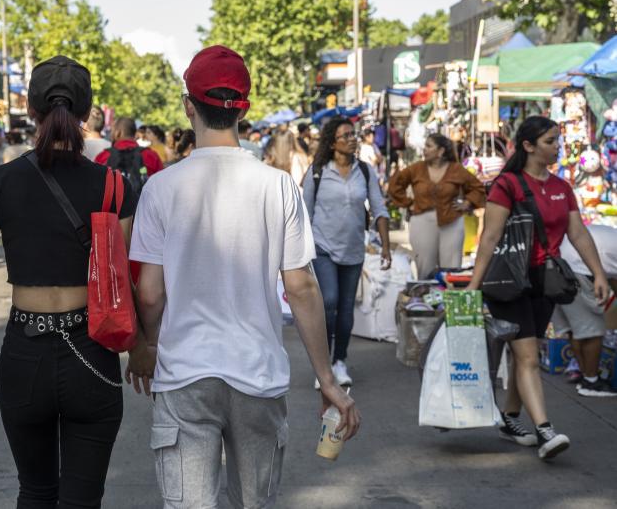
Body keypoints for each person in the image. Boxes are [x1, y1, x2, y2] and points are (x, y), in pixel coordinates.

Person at [128, 45, 360, 508]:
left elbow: (150, 293)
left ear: (188, 106)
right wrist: (327, 379)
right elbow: (301, 288)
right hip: (258, 374)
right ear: (243, 110)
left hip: (185, 375)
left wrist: (146, 347)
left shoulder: (161, 188)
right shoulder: (277, 186)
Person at [0, 55, 147, 508]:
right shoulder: (114, 185)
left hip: (23, 354)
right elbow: (122, 278)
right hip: (92, 352)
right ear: (88, 112)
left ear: (31, 111)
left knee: (34, 491)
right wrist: (142, 348)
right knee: (82, 499)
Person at [467, 116, 609, 460]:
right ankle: (546, 429)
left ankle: (511, 419)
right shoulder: (507, 185)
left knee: (523, 356)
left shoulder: (562, 188)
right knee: (528, 356)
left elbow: (578, 234)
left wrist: (599, 274)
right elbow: (490, 236)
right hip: (508, 282)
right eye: (550, 141)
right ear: (529, 146)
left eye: (557, 140)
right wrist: (473, 285)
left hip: (546, 282)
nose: (557, 147)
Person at [302, 117, 392, 387]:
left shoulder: (364, 171)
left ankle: (339, 360)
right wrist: (299, 250)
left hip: (354, 249)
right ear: (332, 143)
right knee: (328, 302)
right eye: (346, 136)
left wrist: (386, 245)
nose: (353, 139)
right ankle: (324, 365)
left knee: (345, 309)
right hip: (323, 247)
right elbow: (304, 213)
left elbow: (379, 207)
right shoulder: (317, 171)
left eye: (354, 134)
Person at [388, 134, 486, 279]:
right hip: (422, 221)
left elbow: (478, 187)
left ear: (440, 151)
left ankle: (449, 299)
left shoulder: (456, 169)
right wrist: (408, 203)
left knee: (451, 269)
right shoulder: (416, 169)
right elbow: (395, 185)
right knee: (425, 268)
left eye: (429, 146)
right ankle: (426, 299)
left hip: (451, 222)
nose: (424, 150)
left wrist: (467, 203)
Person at [552, 224, 617, 397]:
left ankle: (586, 375)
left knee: (575, 330)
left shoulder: (612, 235)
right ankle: (591, 382)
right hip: (577, 269)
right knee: (593, 331)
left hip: (556, 267)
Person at [94, 117, 164, 194]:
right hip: (142, 204)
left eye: (112, 131)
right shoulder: (151, 156)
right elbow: (162, 186)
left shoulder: (103, 156)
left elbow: (94, 186)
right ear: (134, 133)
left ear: (118, 133)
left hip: (111, 205)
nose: (111, 134)